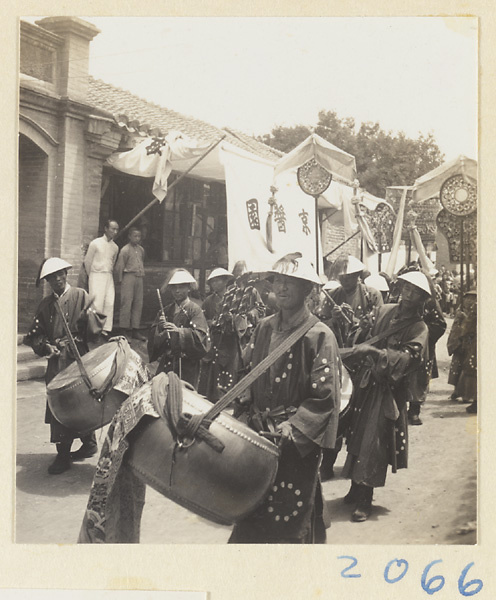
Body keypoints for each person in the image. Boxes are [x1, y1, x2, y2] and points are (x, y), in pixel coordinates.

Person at [229, 252, 342, 544]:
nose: (281, 287)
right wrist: (240, 411)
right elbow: (248, 373)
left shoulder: (320, 336)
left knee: (289, 518)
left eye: (291, 282)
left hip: (293, 444)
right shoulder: (264, 327)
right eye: (277, 280)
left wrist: (294, 427)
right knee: (251, 517)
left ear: (307, 289)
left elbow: (325, 397)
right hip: (259, 437)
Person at [341, 271, 430, 521]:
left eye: (414, 292)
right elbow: (364, 333)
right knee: (357, 434)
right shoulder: (385, 310)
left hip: (389, 390)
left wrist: (376, 353)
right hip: (367, 383)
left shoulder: (419, 327)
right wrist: (356, 327)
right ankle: (355, 486)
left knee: (375, 439)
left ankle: (365, 498)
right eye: (405, 287)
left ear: (423, 299)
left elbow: (410, 359)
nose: (407, 293)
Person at [23, 258, 104, 474]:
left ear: (67, 274)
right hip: (57, 361)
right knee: (60, 402)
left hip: (78, 358)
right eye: (52, 277)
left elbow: (97, 328)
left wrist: (90, 319)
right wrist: (46, 347)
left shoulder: (80, 295)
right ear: (47, 281)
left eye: (61, 274)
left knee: (82, 401)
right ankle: (63, 454)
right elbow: (34, 335)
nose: (57, 279)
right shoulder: (45, 305)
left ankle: (89, 444)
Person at [203, 261, 266, 402]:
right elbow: (205, 318)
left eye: (245, 276)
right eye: (239, 276)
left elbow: (261, 309)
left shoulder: (252, 292)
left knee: (238, 365)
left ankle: (235, 399)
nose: (242, 279)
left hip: (240, 339)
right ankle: (216, 398)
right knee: (217, 368)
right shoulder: (219, 297)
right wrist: (215, 322)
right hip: (219, 339)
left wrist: (248, 315)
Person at [148, 268, 210, 388]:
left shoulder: (195, 310)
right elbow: (153, 338)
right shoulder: (165, 310)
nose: (177, 291)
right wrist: (160, 328)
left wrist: (179, 332)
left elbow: (201, 336)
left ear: (188, 288)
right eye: (174, 287)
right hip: (168, 362)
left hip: (187, 364)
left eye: (181, 287)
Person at [319, 254, 383, 348]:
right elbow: (321, 326)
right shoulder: (332, 295)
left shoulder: (372, 295)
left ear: (357, 275)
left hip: (364, 348)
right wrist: (333, 320)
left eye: (348, 277)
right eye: (342, 277)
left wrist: (357, 322)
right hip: (338, 348)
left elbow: (380, 326)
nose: (345, 281)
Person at [84, 219, 119, 339]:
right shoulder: (95, 243)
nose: (115, 231)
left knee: (109, 302)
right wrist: (92, 276)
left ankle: (105, 330)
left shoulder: (115, 247)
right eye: (112, 229)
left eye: (116, 229)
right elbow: (87, 261)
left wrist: (107, 273)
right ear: (106, 229)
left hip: (108, 276)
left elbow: (112, 263)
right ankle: (94, 331)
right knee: (96, 303)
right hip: (96, 275)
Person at [448, 290, 477, 413]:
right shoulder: (460, 313)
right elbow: (456, 329)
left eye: (472, 298)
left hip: (471, 343)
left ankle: (468, 395)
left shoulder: (474, 311)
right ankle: (458, 391)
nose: (469, 301)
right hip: (460, 343)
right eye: (467, 298)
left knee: (469, 369)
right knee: (458, 367)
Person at [115, 227, 146, 341]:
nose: (137, 238)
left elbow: (141, 261)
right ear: (129, 236)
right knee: (126, 304)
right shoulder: (125, 250)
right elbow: (120, 267)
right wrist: (120, 280)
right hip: (128, 277)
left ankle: (135, 330)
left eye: (139, 236)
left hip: (139, 277)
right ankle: (123, 331)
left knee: (138, 303)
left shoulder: (141, 250)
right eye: (135, 236)